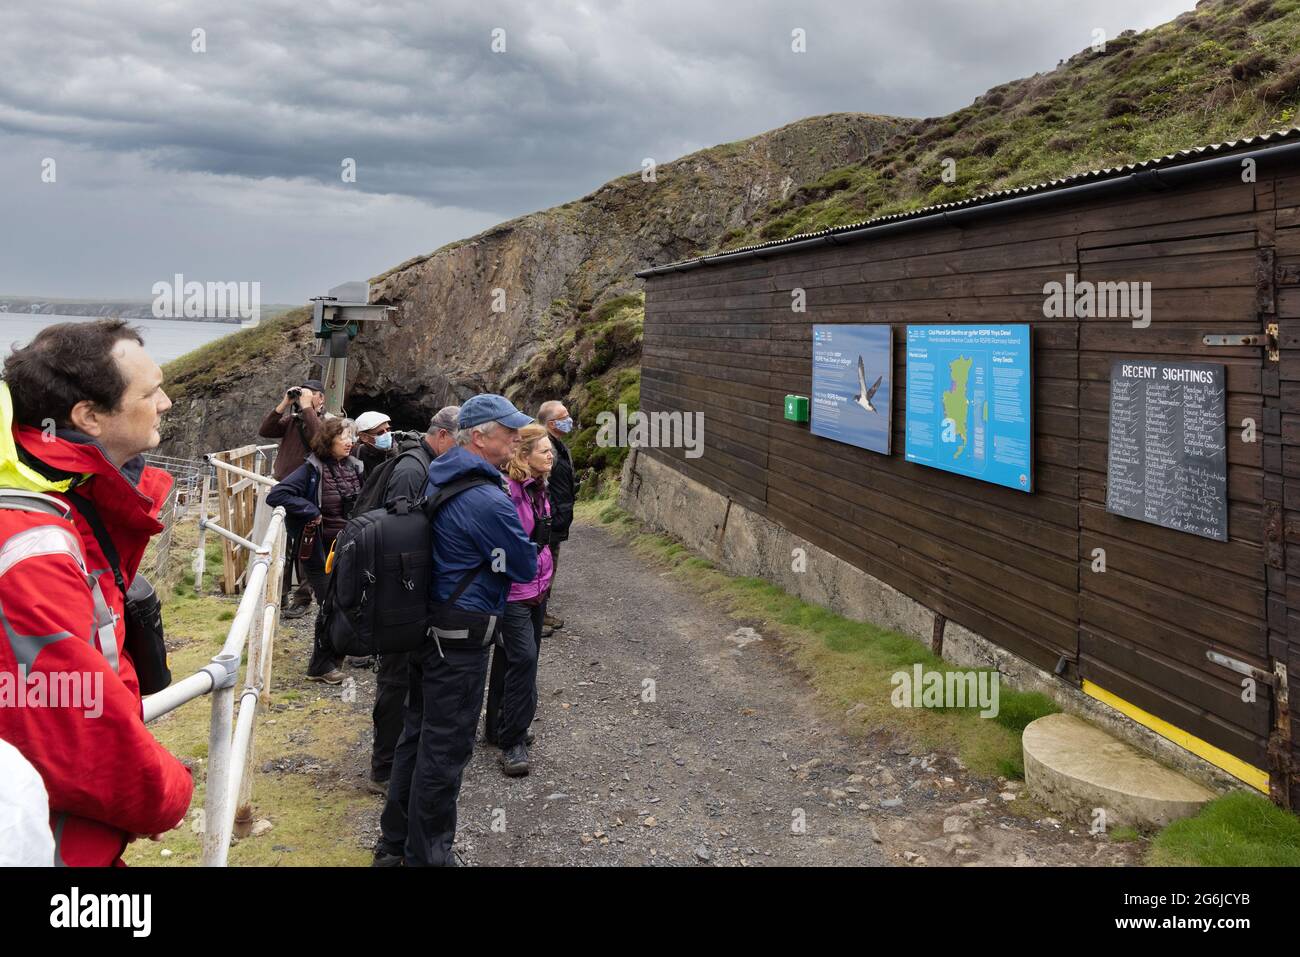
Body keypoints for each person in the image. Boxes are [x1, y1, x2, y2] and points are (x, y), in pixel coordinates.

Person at [0, 318, 194, 865]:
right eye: (151, 391)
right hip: (51, 842)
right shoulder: (30, 542)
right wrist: (171, 793)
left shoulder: (63, 493)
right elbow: (78, 728)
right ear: (88, 416)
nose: (168, 402)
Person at [376, 395, 538, 867]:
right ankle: (429, 857)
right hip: (462, 639)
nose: (515, 438)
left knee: (417, 734)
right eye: (508, 431)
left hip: (432, 628)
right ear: (480, 436)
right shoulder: (487, 497)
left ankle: (394, 846)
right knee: (445, 751)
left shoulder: (442, 474)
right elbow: (525, 563)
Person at [367, 404, 461, 795]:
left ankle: (399, 758)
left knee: (407, 678)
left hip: (408, 590)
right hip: (398, 594)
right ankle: (384, 768)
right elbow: (399, 538)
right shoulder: (412, 469)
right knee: (395, 679)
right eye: (459, 442)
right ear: (441, 435)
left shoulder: (424, 463)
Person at [266, 417, 364, 684]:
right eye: (344, 436)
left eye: (351, 436)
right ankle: (320, 666)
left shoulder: (354, 467)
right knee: (330, 605)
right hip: (320, 551)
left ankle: (337, 655)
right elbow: (277, 495)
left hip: (345, 549)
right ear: (328, 439)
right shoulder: (312, 469)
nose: (349, 441)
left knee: (346, 602)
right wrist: (311, 510)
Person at [484, 423, 555, 777]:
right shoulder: (508, 493)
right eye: (544, 450)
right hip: (513, 591)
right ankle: (513, 741)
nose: (550, 455)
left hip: (537, 587)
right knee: (524, 660)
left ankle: (497, 727)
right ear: (523, 456)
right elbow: (504, 545)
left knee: (512, 659)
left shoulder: (539, 488)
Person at [259, 378, 326, 619]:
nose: (303, 399)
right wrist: (285, 402)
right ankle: (283, 592)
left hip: (307, 490)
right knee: (284, 545)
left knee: (305, 545)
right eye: (302, 395)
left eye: (309, 395)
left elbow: (321, 439)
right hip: (285, 489)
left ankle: (304, 598)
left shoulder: (324, 422)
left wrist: (308, 408)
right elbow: (265, 430)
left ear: (320, 398)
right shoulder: (293, 421)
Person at [537, 400, 579, 634]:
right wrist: (549, 514)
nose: (569, 419)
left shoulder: (558, 445)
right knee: (543, 567)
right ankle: (537, 615)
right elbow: (542, 485)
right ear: (552, 423)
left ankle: (542, 612)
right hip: (549, 520)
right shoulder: (545, 448)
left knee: (550, 566)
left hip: (558, 518)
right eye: (564, 416)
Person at [353, 410, 394, 474]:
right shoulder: (356, 455)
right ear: (364, 437)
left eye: (388, 429)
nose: (387, 434)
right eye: (380, 432)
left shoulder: (399, 451)